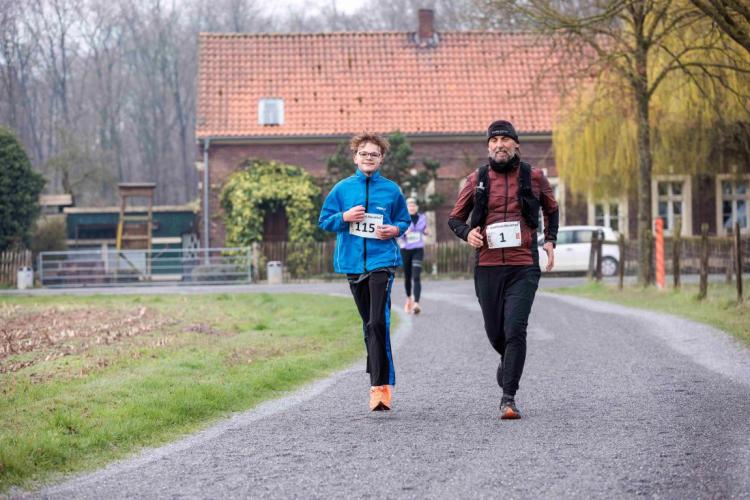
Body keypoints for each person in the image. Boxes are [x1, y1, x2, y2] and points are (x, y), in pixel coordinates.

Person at [448, 119, 559, 420]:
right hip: (488, 266)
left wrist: (550, 240)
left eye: (504, 140)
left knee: (515, 329)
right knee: (495, 332)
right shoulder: (477, 179)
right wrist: (468, 234)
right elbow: (455, 219)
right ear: (488, 147)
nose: (499, 145)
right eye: (494, 141)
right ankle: (508, 362)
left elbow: (551, 209)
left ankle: (508, 398)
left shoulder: (534, 176)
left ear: (516, 145)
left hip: (524, 265)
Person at [319, 132, 410, 412]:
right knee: (368, 324)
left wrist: (394, 230)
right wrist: (344, 217)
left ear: (381, 159)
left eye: (374, 154)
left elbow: (404, 220)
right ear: (355, 158)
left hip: (382, 261)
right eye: (364, 153)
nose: (369, 158)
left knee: (377, 322)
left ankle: (379, 387)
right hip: (352, 263)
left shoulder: (392, 190)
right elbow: (324, 221)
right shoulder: (342, 189)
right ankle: (376, 373)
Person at [399, 198, 428, 314]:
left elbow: (425, 230)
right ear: (406, 208)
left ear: (417, 207)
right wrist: (405, 233)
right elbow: (397, 233)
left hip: (418, 249)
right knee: (407, 277)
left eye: (413, 205)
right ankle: (408, 300)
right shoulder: (402, 218)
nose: (412, 207)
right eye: (409, 206)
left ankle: (416, 303)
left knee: (416, 276)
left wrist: (426, 231)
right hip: (405, 250)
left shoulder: (423, 218)